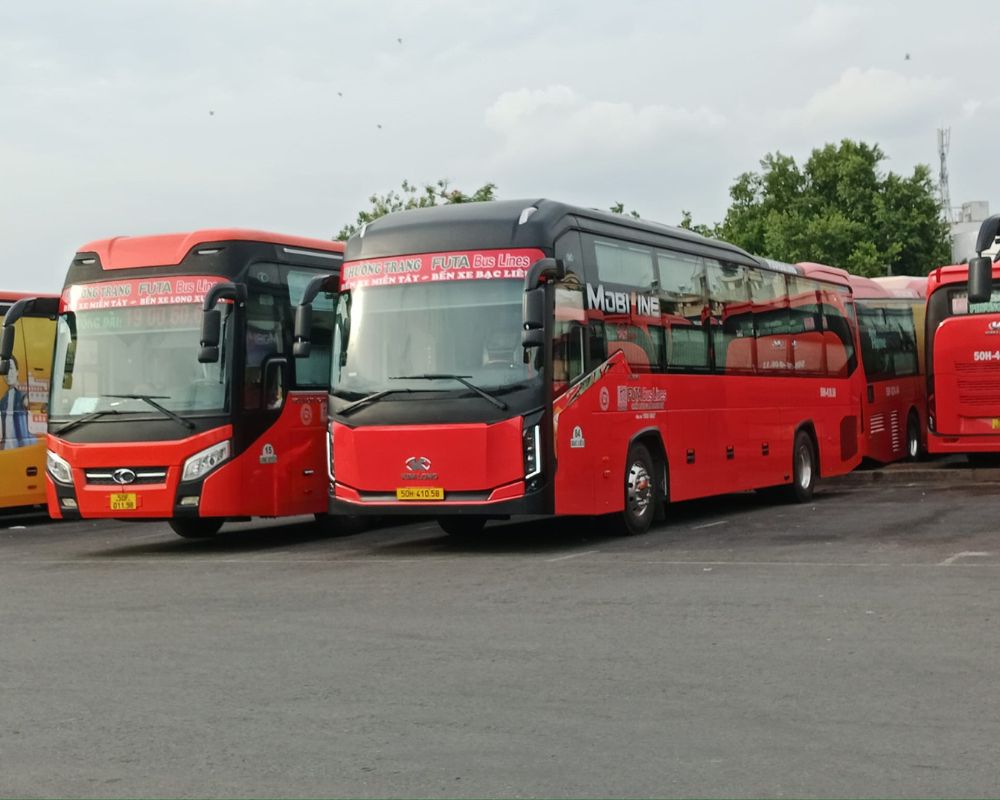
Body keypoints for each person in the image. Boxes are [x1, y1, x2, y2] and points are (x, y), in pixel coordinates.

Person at [0, 356, 32, 449]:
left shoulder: (24, 396)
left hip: (22, 448)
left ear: (17, 372)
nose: (8, 374)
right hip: (7, 449)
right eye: (5, 371)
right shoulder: (3, 401)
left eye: (10, 369)